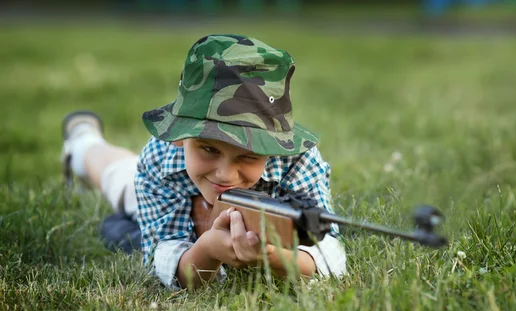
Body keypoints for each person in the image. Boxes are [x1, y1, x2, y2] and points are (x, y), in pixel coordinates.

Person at [61, 34, 347, 290]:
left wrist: (271, 256)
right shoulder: (162, 158)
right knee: (119, 182)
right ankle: (83, 142)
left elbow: (329, 258)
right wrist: (208, 250)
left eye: (248, 155)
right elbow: (163, 261)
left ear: (273, 151)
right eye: (209, 149)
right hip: (166, 191)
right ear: (179, 137)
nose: (225, 173)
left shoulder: (297, 159)